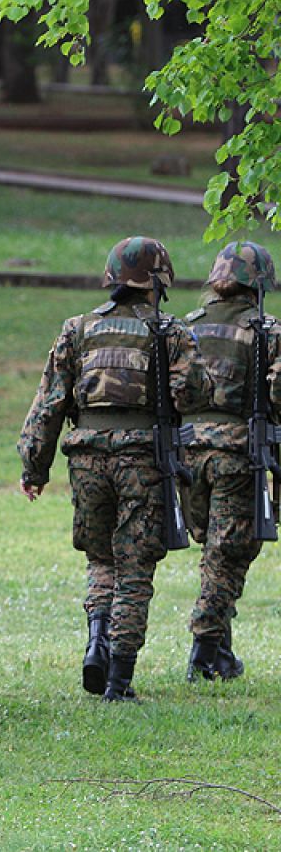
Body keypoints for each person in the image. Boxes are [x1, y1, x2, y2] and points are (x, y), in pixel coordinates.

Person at [19, 236, 208, 701]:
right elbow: (194, 395)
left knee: (101, 559)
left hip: (86, 460)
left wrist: (34, 467)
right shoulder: (172, 333)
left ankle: (96, 643)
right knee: (136, 568)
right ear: (158, 281)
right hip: (143, 462)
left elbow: (48, 406)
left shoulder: (77, 329)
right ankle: (119, 681)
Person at [182, 242, 279, 680]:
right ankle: (203, 653)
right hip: (237, 454)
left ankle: (220, 652)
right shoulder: (267, 331)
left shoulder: (187, 327)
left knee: (213, 550)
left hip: (187, 454)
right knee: (229, 554)